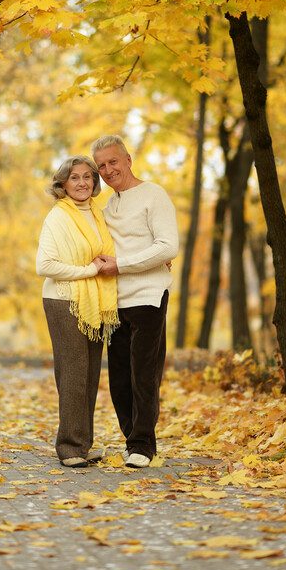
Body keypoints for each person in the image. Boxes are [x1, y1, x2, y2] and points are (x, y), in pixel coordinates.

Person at [91, 135, 179, 468]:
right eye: (101, 165)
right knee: (118, 378)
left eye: (113, 161)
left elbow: (168, 246)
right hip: (115, 301)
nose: (107, 169)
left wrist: (123, 265)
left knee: (144, 373)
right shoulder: (109, 206)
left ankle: (144, 444)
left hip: (148, 296)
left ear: (128, 159)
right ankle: (132, 438)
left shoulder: (153, 195)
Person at [36, 156, 119, 468]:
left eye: (88, 177)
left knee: (89, 373)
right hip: (63, 300)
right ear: (63, 184)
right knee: (73, 372)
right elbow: (44, 266)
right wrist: (88, 270)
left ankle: (82, 445)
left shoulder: (97, 214)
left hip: (92, 301)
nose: (83, 183)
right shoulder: (58, 217)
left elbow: (111, 253)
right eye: (75, 178)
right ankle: (69, 448)